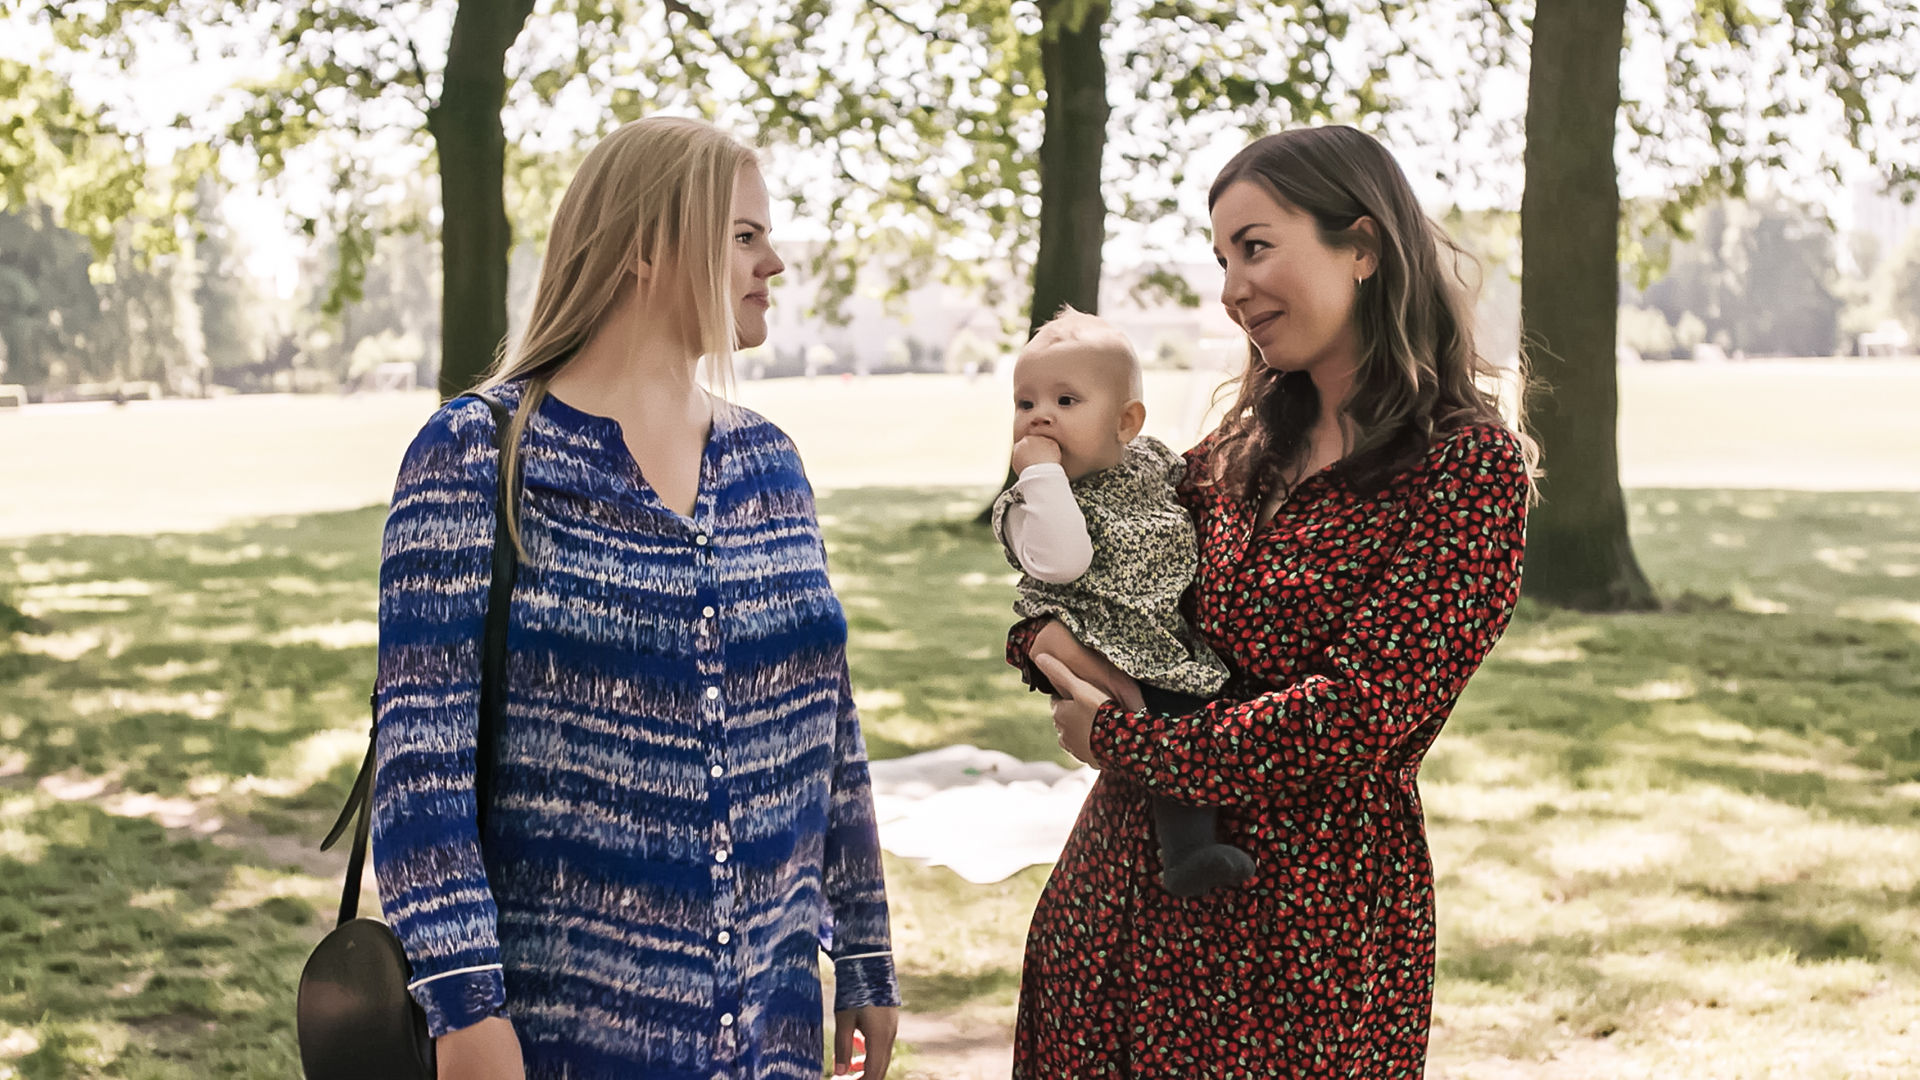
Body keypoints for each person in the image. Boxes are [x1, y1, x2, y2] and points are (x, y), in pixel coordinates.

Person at [371, 116, 900, 1080]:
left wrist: (863, 950)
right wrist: (466, 1009)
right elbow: (421, 768)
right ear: (647, 250)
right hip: (562, 1040)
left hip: (775, 1035)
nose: (775, 262)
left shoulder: (771, 463)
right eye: (744, 236)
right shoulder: (475, 455)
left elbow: (833, 727)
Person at [1006, 124, 1536, 1077]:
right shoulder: (1234, 450)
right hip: (1114, 909)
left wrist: (1125, 739)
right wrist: (1044, 633)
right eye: (1222, 259)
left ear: (1362, 247)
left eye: (1255, 247)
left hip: (1299, 944)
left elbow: (1360, 715)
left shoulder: (1465, 469)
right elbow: (1102, 582)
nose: (1231, 288)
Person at [989, 306, 1253, 897]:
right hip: (1094, 638)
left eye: (1066, 401)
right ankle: (1187, 852)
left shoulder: (1151, 464)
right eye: (1025, 403)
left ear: (1126, 421)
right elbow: (1065, 560)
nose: (1040, 417)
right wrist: (1041, 477)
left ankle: (1191, 841)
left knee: (1190, 714)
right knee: (1167, 718)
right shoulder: (1028, 506)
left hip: (1157, 637)